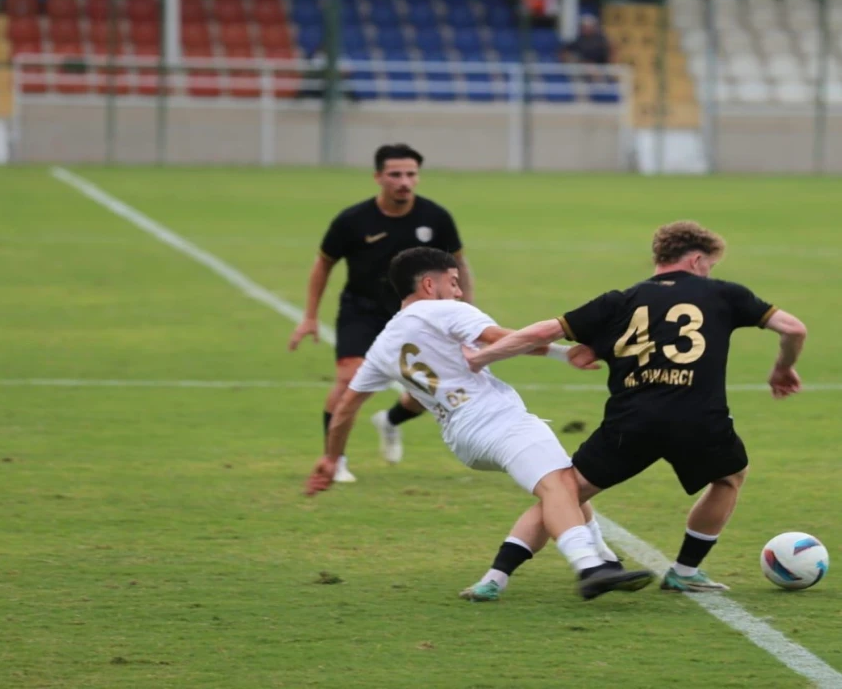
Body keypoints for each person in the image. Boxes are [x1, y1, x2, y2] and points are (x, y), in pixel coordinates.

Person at [464, 221, 808, 592]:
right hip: (697, 419)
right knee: (728, 478)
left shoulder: (619, 301)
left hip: (631, 422)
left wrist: (481, 359)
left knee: (564, 493)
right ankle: (686, 571)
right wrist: (783, 368)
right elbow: (794, 329)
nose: (709, 272)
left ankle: (495, 578)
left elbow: (541, 333)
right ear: (695, 260)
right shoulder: (723, 294)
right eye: (709, 264)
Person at [306, 248, 653, 601]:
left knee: (566, 481)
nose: (458, 291)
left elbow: (345, 408)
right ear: (429, 284)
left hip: (462, 440)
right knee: (560, 485)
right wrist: (565, 353)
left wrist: (332, 458)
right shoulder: (445, 310)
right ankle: (589, 567)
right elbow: (502, 338)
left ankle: (594, 562)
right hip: (496, 420)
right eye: (453, 282)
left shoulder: (382, 346)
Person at [288, 144, 475, 483]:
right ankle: (336, 458)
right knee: (348, 381)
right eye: (395, 174)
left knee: (431, 391)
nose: (404, 181)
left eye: (410, 174)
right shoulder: (353, 220)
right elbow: (323, 263)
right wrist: (310, 316)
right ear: (378, 177)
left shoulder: (436, 217)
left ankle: (389, 421)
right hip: (362, 310)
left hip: (421, 315)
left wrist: (466, 316)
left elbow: (458, 265)